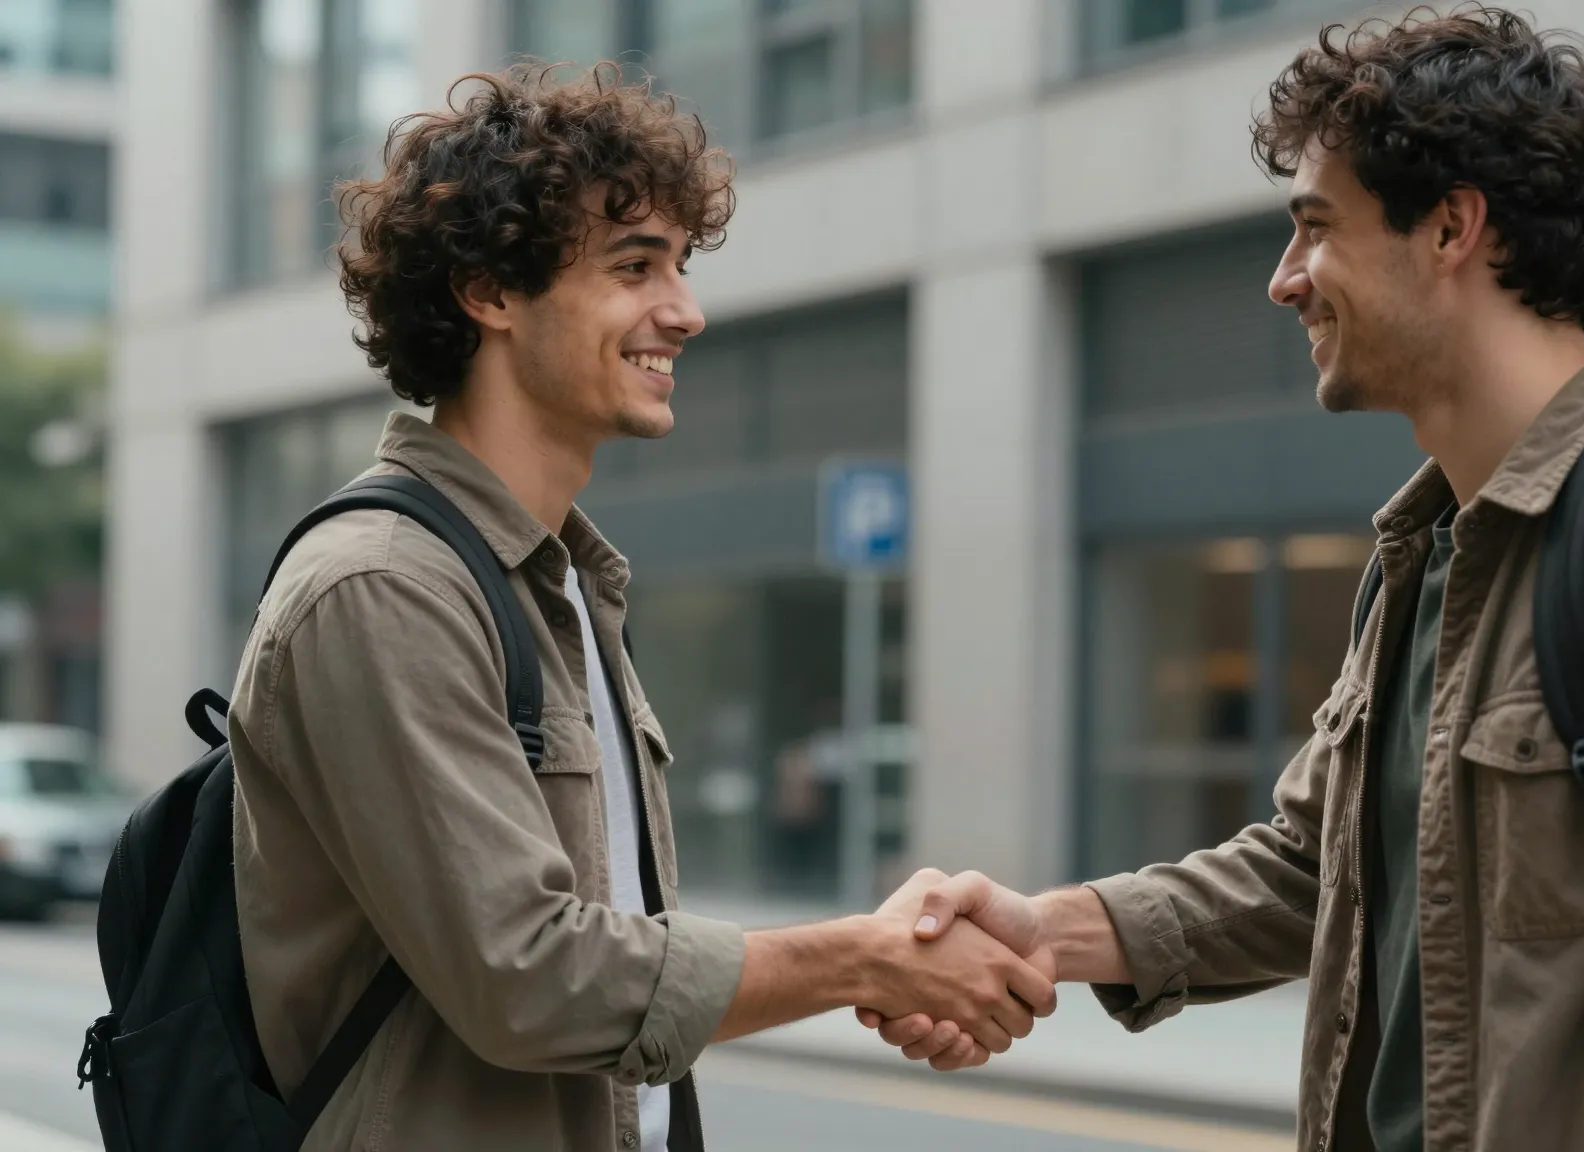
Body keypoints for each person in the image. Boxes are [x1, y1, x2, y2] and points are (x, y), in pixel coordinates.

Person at [861, 8, 1584, 1151]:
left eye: (1315, 229)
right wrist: (1047, 933)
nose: (1285, 282)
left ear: (1452, 228)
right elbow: (1315, 870)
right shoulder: (1429, 552)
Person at [229, 65, 1050, 1152]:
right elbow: (528, 979)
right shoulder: (384, 587)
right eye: (634, 266)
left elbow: (613, 965)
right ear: (489, 292)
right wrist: (867, 955)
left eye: (679, 265)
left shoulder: (559, 584)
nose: (685, 311)